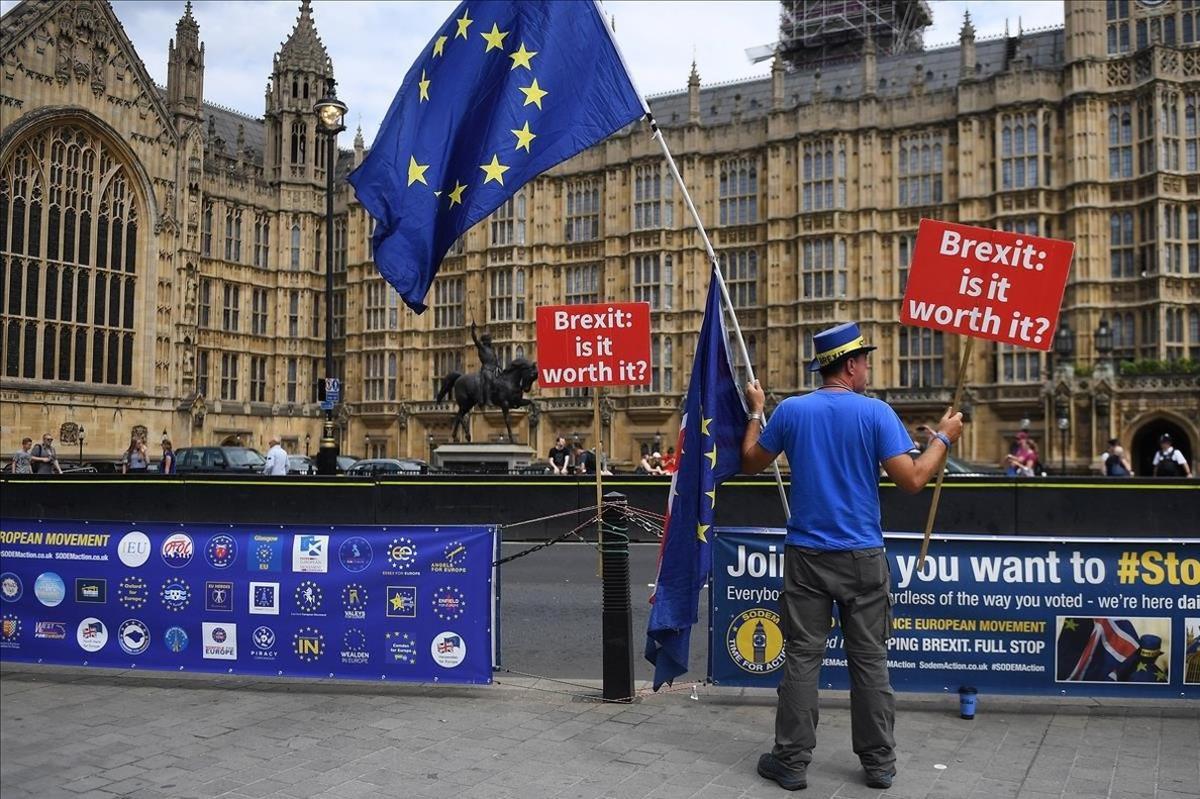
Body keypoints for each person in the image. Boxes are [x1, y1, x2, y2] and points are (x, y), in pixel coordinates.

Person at [740, 322, 963, 792]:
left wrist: (757, 412)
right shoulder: (877, 413)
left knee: (802, 657)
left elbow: (749, 461)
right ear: (850, 365)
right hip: (863, 555)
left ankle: (792, 761)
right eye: (864, 360)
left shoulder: (793, 411)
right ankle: (879, 763)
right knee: (870, 661)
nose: (867, 368)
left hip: (806, 556)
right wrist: (943, 437)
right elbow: (914, 479)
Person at [471, 322, 500, 407]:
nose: (491, 341)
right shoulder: (482, 348)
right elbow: (475, 340)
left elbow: (495, 360)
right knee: (488, 379)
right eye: (489, 339)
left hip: (494, 369)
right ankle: (487, 399)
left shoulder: (491, 350)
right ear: (486, 341)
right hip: (486, 369)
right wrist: (473, 330)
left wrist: (498, 366)